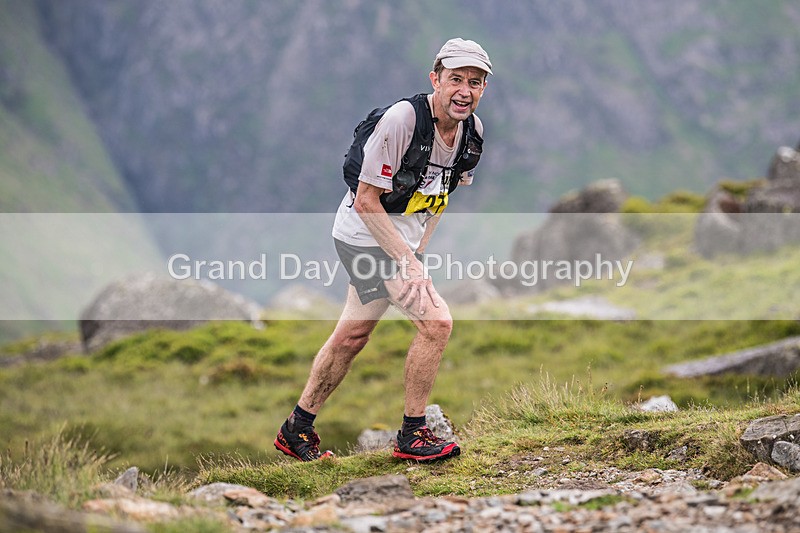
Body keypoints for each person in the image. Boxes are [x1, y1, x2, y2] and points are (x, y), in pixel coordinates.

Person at [274, 38, 492, 462]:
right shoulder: (402, 120)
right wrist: (408, 263)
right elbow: (365, 200)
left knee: (352, 336)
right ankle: (413, 435)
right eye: (456, 80)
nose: (465, 90)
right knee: (437, 324)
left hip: (398, 242)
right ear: (436, 79)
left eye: (475, 82)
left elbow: (440, 199)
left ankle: (296, 428)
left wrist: (418, 252)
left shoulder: (472, 134)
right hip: (362, 235)